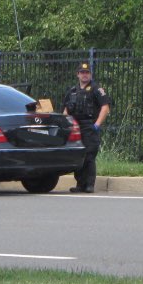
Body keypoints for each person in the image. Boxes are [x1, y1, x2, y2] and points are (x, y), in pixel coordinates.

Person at [62, 61, 111, 193]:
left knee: (89, 155)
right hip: (75, 127)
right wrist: (66, 123)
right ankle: (80, 184)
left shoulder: (96, 89)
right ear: (77, 74)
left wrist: (97, 124)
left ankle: (89, 184)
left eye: (87, 72)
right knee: (79, 155)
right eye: (82, 72)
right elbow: (66, 109)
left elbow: (105, 107)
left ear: (90, 74)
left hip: (90, 126)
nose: (85, 75)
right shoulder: (72, 91)